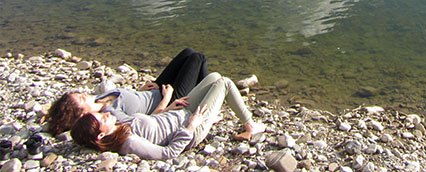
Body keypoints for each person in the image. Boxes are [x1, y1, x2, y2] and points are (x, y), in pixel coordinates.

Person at [71, 72, 266, 160]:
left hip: (179, 113)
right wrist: (191, 127)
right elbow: (168, 153)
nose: (105, 115)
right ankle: (251, 126)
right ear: (100, 135)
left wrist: (170, 106)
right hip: (191, 127)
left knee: (214, 77)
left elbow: (154, 124)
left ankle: (214, 114)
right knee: (225, 83)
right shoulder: (128, 142)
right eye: (101, 120)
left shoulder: (119, 124)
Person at [46, 48, 208, 136]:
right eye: (81, 99)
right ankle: (207, 102)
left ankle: (205, 93)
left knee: (187, 53)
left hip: (155, 90)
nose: (84, 94)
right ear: (82, 114)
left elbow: (127, 101)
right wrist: (166, 101)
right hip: (171, 100)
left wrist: (140, 90)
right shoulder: (110, 115)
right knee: (197, 58)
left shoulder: (99, 99)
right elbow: (147, 122)